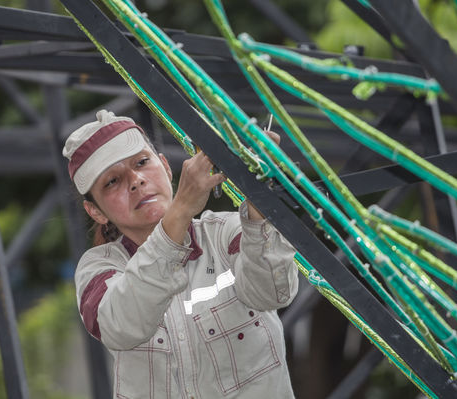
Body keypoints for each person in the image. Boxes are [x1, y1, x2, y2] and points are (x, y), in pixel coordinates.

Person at [63, 109, 299, 398]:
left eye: (141, 162)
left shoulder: (226, 233)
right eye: (112, 181)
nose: (135, 180)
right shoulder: (98, 268)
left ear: (165, 166)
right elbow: (120, 326)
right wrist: (181, 210)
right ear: (96, 212)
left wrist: (260, 199)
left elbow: (274, 293)